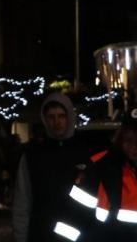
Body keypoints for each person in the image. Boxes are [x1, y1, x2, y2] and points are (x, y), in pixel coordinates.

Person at [13, 93, 89, 242]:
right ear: (45, 119)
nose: (57, 122)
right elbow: (23, 200)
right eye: (51, 117)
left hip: (80, 233)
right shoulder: (33, 156)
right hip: (43, 234)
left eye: (61, 116)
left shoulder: (85, 153)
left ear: (69, 117)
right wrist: (21, 236)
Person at [54, 107, 137, 241]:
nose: (134, 147)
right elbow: (73, 219)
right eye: (129, 140)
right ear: (121, 138)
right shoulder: (100, 167)